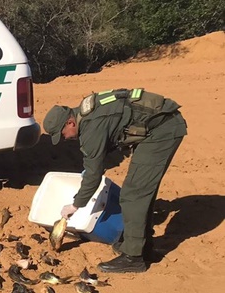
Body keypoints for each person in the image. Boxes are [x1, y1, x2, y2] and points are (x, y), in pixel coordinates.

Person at [42, 88, 187, 273]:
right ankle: (142, 246)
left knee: (134, 194)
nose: (65, 139)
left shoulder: (91, 129)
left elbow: (94, 175)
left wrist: (75, 205)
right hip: (157, 127)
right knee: (140, 190)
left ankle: (134, 257)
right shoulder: (87, 114)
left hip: (162, 131)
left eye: (63, 134)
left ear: (70, 122)